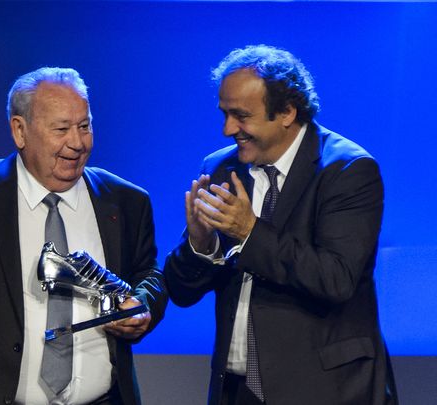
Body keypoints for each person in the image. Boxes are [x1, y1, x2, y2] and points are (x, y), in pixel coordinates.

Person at [164, 45, 398, 405]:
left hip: (325, 390)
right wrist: (199, 245)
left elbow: (335, 279)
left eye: (240, 116)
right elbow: (182, 292)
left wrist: (249, 232)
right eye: (224, 114)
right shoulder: (222, 168)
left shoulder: (348, 171)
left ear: (287, 111)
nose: (228, 129)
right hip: (238, 391)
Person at [0, 67, 167, 404]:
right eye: (61, 129)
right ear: (20, 131)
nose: (77, 143)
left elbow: (148, 274)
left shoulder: (126, 200)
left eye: (85, 126)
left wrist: (143, 305)